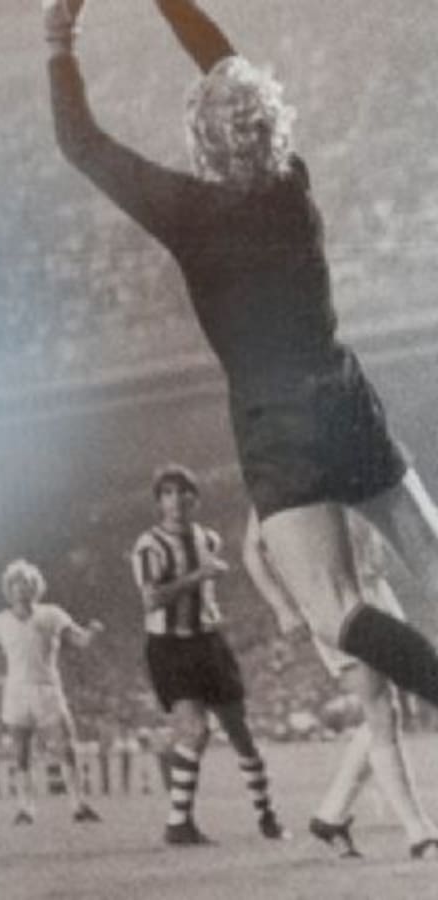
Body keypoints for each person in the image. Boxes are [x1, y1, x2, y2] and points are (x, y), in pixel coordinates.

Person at [42, 0, 438, 713]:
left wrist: (58, 38)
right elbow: (226, 63)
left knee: (336, 609)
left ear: (202, 141)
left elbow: (81, 143)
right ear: (270, 120)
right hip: (342, 392)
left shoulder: (189, 213)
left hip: (274, 424)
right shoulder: (292, 183)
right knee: (432, 558)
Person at [244, 509, 438, 859]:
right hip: (332, 599)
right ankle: (419, 833)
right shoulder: (278, 479)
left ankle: (331, 816)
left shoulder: (346, 473)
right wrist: (282, 607)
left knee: (388, 711)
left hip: (376, 591)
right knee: (380, 709)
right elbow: (252, 548)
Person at [130, 464, 285, 845]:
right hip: (169, 647)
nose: (176, 500)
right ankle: (178, 824)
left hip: (208, 642)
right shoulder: (149, 545)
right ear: (159, 502)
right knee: (196, 731)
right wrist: (198, 577)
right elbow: (151, 599)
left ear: (194, 499)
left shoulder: (208, 539)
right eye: (167, 493)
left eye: (183, 492)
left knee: (239, 732)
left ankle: (267, 816)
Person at [0, 558, 103, 826]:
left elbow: (79, 640)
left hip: (47, 688)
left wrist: (91, 633)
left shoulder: (52, 614)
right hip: (16, 691)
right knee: (21, 752)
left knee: (66, 745)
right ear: (8, 589)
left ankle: (78, 804)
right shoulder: (0, 621)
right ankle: (26, 808)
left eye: (26, 583)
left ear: (36, 587)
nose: (21, 588)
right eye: (15, 584)